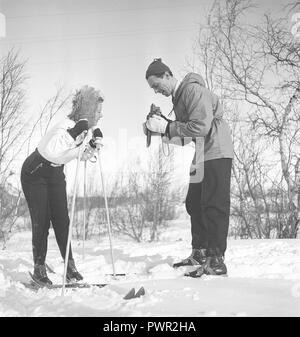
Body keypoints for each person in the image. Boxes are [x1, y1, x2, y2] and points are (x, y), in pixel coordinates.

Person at [144, 58, 233, 277]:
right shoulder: (179, 98)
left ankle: (216, 260)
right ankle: (200, 252)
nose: (156, 91)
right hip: (201, 153)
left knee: (214, 204)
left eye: (156, 85)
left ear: (166, 75)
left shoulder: (193, 90)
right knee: (194, 202)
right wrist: (161, 129)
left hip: (216, 150)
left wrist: (167, 126)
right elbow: (185, 136)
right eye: (153, 88)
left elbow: (201, 127)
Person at [21, 85, 104, 285]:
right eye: (98, 111)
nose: (100, 115)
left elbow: (77, 155)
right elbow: (51, 150)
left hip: (56, 173)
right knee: (42, 220)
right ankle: (39, 268)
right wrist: (76, 131)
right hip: (35, 171)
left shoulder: (84, 129)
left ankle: (70, 265)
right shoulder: (65, 125)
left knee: (62, 220)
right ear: (87, 109)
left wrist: (92, 148)